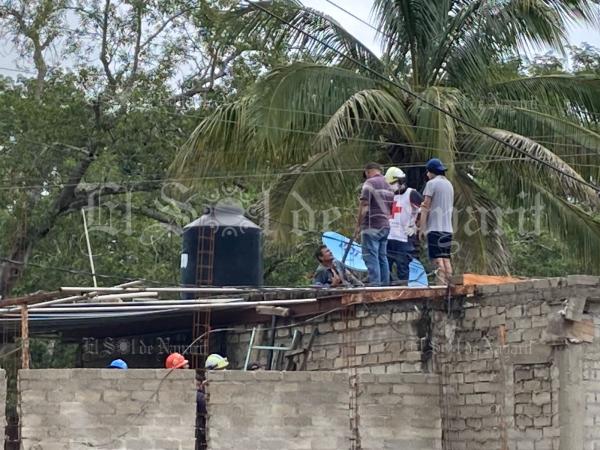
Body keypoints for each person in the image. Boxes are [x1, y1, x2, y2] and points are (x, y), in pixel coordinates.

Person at [354, 162, 394, 286]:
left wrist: (358, 225)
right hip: (385, 225)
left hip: (372, 225)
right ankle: (385, 286)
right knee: (382, 257)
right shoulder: (389, 185)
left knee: (371, 256)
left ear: (368, 171)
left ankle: (375, 286)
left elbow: (364, 206)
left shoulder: (369, 183)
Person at [419, 158, 455, 285]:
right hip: (448, 230)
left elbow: (425, 206)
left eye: (428, 172)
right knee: (446, 260)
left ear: (431, 172)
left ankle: (440, 288)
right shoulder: (449, 185)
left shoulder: (431, 184)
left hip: (435, 228)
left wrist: (422, 228)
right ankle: (449, 287)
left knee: (438, 261)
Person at [385, 167, 423, 284]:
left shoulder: (411, 194)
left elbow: (426, 210)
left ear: (401, 181)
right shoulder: (390, 195)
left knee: (403, 269)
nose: (391, 186)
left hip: (404, 238)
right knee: (386, 269)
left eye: (392, 183)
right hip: (389, 237)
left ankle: (404, 290)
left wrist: (416, 226)